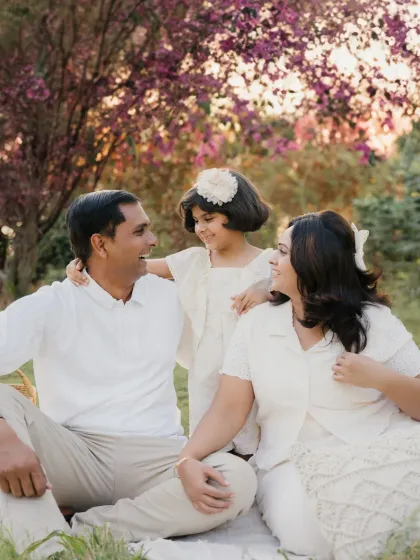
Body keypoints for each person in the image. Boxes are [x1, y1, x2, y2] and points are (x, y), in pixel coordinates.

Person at [0, 190, 256, 558]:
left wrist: (266, 288)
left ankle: (80, 531)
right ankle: (47, 549)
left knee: (236, 481)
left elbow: (231, 280)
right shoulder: (52, 303)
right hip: (75, 455)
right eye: (140, 232)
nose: (153, 241)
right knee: (5, 436)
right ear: (99, 244)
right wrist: (3, 436)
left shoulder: (174, 297)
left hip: (158, 458)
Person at [173, 210, 420, 557]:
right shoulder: (256, 324)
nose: (271, 259)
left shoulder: (373, 321)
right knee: (313, 537)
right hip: (290, 465)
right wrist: (186, 459)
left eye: (283, 252)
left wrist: (379, 378)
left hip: (378, 446)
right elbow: (228, 409)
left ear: (313, 263)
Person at [67, 168, 273, 456]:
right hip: (208, 370)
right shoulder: (194, 261)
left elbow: (308, 285)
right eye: (197, 221)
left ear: (236, 212)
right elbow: (132, 265)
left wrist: (266, 288)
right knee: (213, 448)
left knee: (261, 444)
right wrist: (84, 262)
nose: (201, 228)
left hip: (257, 369)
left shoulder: (270, 264)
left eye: (209, 219)